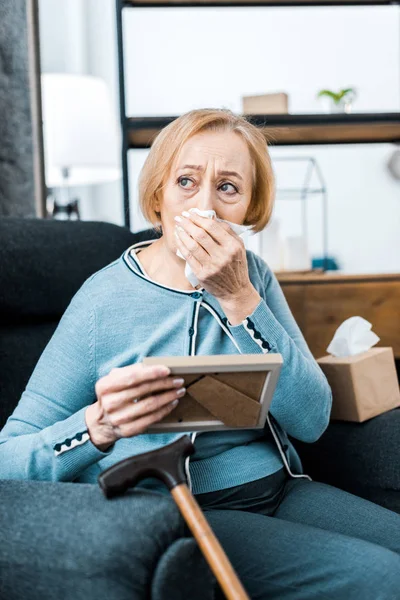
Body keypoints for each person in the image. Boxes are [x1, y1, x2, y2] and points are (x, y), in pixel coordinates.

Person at [1, 108, 399, 599]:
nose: (204, 206)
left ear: (250, 207)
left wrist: (239, 299)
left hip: (281, 488)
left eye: (228, 187)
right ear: (158, 195)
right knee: (381, 579)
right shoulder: (103, 299)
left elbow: (312, 419)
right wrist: (97, 426)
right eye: (186, 181)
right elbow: (9, 455)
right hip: (189, 507)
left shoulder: (252, 276)